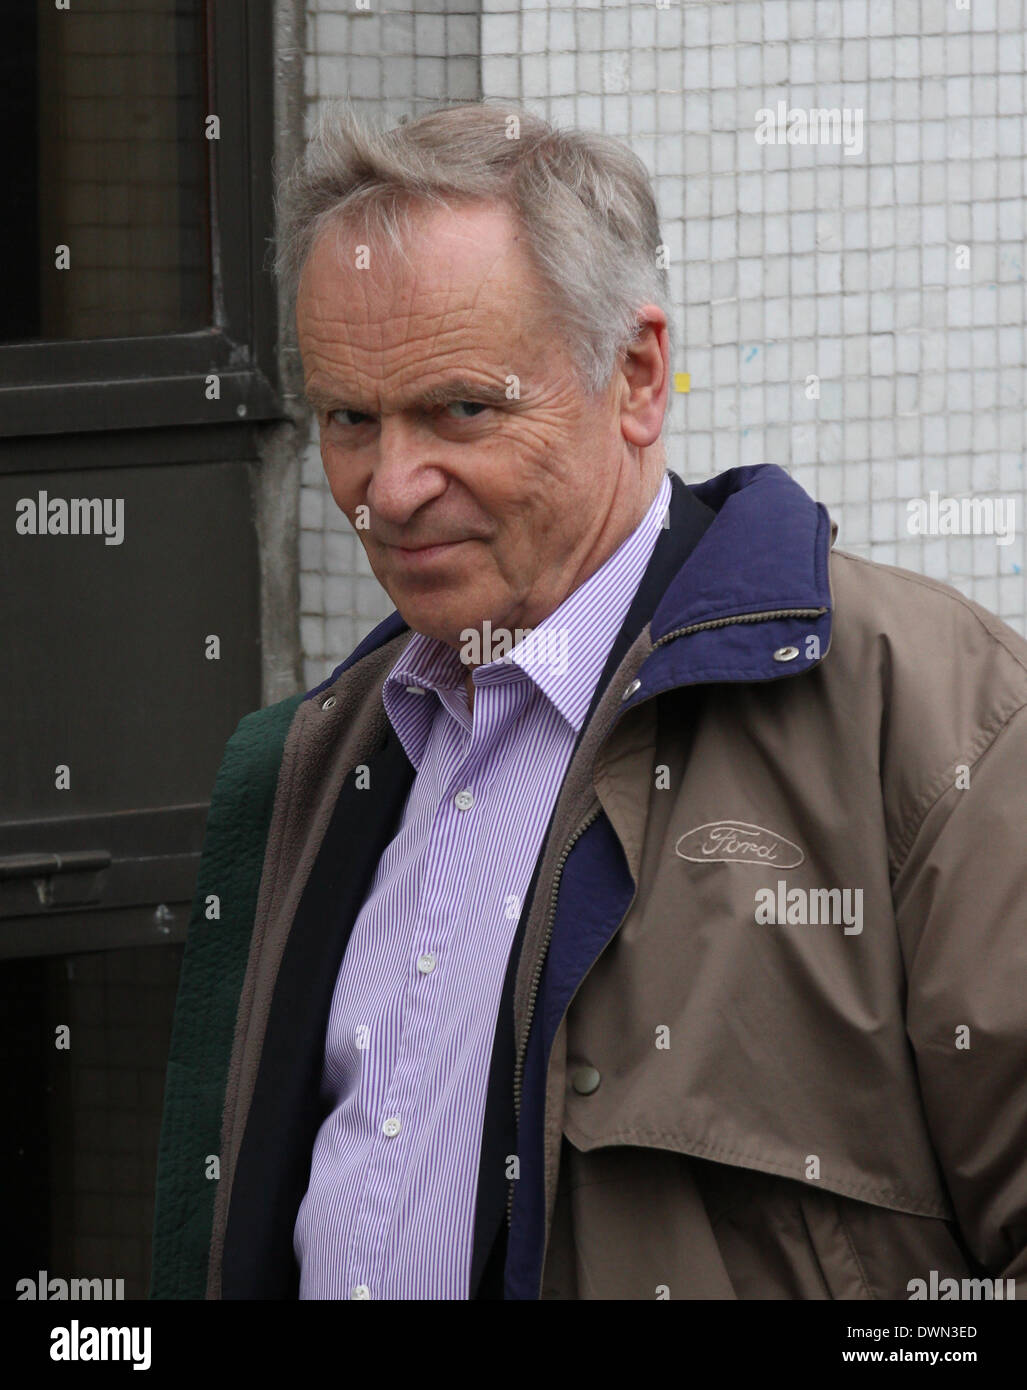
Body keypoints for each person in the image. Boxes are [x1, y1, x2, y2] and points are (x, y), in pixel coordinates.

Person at [150, 100, 1027, 1301]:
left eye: (461, 408)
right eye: (349, 418)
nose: (389, 490)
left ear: (636, 374)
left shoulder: (932, 717)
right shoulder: (310, 760)